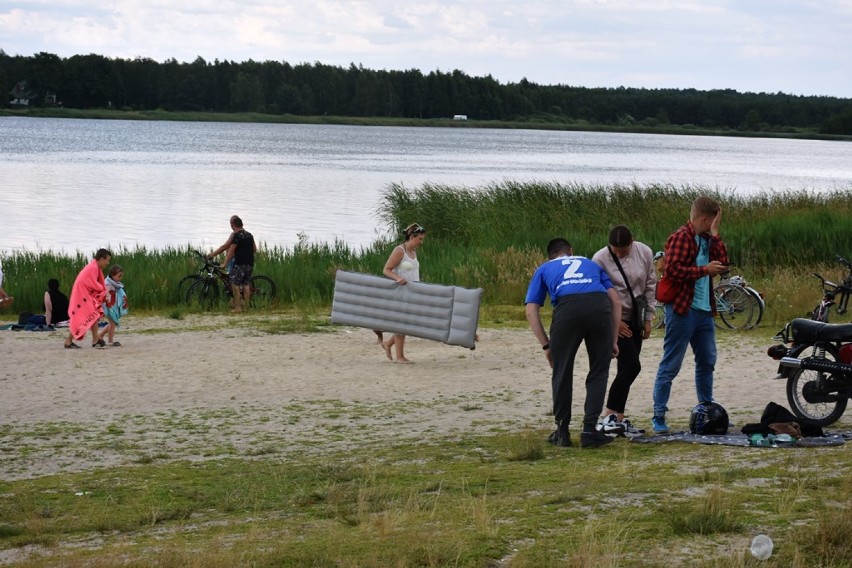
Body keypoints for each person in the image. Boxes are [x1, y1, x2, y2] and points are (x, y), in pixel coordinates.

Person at [525, 238, 622, 449]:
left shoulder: (544, 269)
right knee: (598, 370)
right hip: (598, 305)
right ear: (571, 251)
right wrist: (613, 338)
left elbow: (531, 310)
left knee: (562, 371)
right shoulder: (590, 263)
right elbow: (615, 300)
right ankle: (589, 431)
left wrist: (546, 345)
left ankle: (562, 432)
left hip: (567, 310)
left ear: (550, 255)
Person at [652, 196, 729, 434]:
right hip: (682, 310)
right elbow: (673, 270)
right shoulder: (681, 237)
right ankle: (659, 415)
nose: (714, 225)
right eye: (714, 221)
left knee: (707, 361)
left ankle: (707, 411)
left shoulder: (708, 238)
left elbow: (724, 263)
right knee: (671, 364)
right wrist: (704, 270)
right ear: (704, 218)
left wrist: (715, 235)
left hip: (705, 312)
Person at [592, 225, 657, 438]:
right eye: (616, 251)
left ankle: (619, 419)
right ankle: (608, 415)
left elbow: (650, 285)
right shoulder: (599, 259)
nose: (620, 254)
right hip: (614, 320)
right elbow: (596, 291)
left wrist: (648, 318)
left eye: (625, 251)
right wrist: (613, 320)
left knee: (625, 369)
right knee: (632, 366)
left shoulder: (645, 252)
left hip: (636, 317)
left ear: (633, 242)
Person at [381, 223, 426, 364]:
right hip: (400, 292)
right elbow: (386, 269)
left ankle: (388, 343)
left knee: (410, 322)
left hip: (413, 292)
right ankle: (400, 357)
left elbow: (413, 271)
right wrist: (398, 278)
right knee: (402, 323)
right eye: (420, 239)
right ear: (412, 237)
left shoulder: (413, 253)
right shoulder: (399, 250)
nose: (421, 242)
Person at [64, 248, 112, 349]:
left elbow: (92, 283)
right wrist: (103, 290)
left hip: (83, 292)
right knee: (83, 315)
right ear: (102, 259)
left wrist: (103, 290)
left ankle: (95, 339)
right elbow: (93, 284)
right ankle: (70, 341)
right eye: (107, 260)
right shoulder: (93, 268)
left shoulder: (94, 267)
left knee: (93, 314)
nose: (107, 263)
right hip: (81, 293)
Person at [220, 216, 257, 312]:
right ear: (242, 224)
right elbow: (254, 249)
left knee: (235, 284)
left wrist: (224, 263)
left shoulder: (237, 235)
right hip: (249, 263)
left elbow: (230, 252)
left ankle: (237, 308)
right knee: (246, 284)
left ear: (233, 225)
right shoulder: (249, 235)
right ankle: (247, 307)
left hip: (240, 263)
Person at [98, 264, 128, 346]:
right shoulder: (108, 284)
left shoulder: (115, 283)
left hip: (112, 305)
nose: (120, 278)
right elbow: (105, 296)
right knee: (113, 323)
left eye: (121, 276)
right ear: (112, 275)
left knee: (112, 322)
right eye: (118, 276)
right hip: (108, 306)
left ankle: (100, 336)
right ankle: (110, 341)